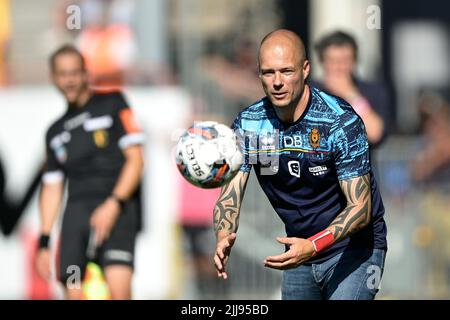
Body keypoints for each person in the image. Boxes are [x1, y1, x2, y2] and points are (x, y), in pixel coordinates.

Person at [213, 29, 387, 300]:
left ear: (305, 70)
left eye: (286, 71)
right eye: (268, 73)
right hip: (299, 251)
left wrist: (313, 245)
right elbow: (230, 195)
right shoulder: (250, 125)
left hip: (355, 249)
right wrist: (224, 233)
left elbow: (361, 208)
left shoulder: (339, 122)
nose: (277, 82)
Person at [35, 45, 145, 300]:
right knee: (73, 291)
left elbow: (136, 161)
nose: (69, 80)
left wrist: (114, 204)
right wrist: (44, 241)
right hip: (77, 213)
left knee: (119, 292)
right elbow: (52, 188)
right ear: (53, 78)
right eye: (63, 74)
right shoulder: (54, 132)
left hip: (118, 208)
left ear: (86, 74)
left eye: (74, 72)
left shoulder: (113, 102)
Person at [311, 31, 391, 148]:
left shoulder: (372, 92)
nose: (339, 67)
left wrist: (350, 95)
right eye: (332, 60)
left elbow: (375, 133)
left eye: (345, 60)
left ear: (354, 61)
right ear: (322, 62)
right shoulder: (309, 93)